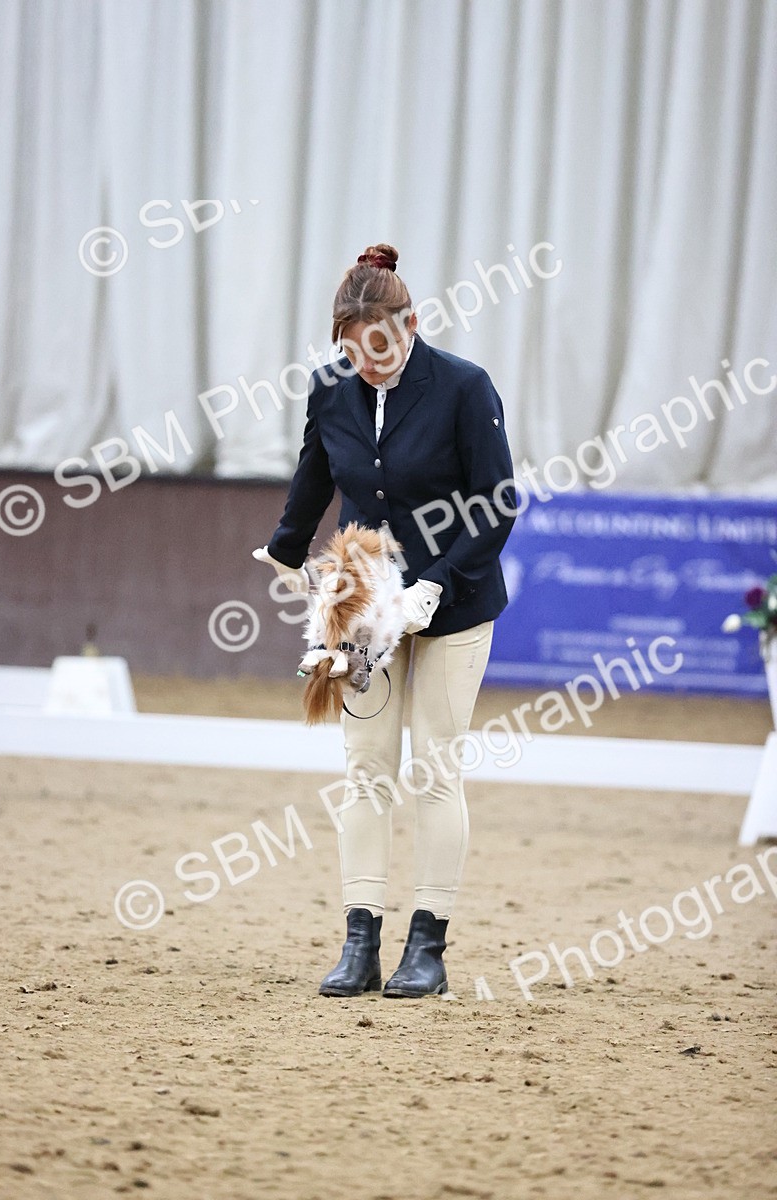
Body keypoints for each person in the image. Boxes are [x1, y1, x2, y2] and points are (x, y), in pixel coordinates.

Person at [253, 242, 517, 998]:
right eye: (354, 350)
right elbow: (315, 472)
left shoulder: (464, 388)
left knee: (434, 768)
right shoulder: (332, 387)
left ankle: (427, 945)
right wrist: (284, 550)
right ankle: (359, 940)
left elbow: (498, 502)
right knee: (366, 769)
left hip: (452, 604)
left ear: (411, 323)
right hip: (364, 607)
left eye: (383, 347)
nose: (369, 363)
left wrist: (433, 586)